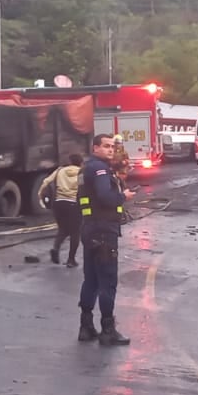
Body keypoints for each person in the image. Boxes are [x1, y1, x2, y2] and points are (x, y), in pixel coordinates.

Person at [77, 133, 136, 346]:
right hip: (104, 231)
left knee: (90, 279)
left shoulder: (85, 169)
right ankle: (108, 330)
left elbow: (84, 199)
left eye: (112, 146)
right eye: (106, 146)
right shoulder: (100, 169)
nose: (111, 149)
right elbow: (105, 196)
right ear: (95, 148)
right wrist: (123, 197)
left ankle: (86, 326)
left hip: (89, 228)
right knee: (107, 282)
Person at [37, 154, 84, 267]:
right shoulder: (82, 172)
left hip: (59, 204)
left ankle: (55, 248)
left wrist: (40, 197)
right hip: (74, 204)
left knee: (63, 229)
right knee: (75, 232)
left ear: (70, 161)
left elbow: (46, 182)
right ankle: (71, 260)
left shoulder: (60, 171)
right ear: (81, 163)